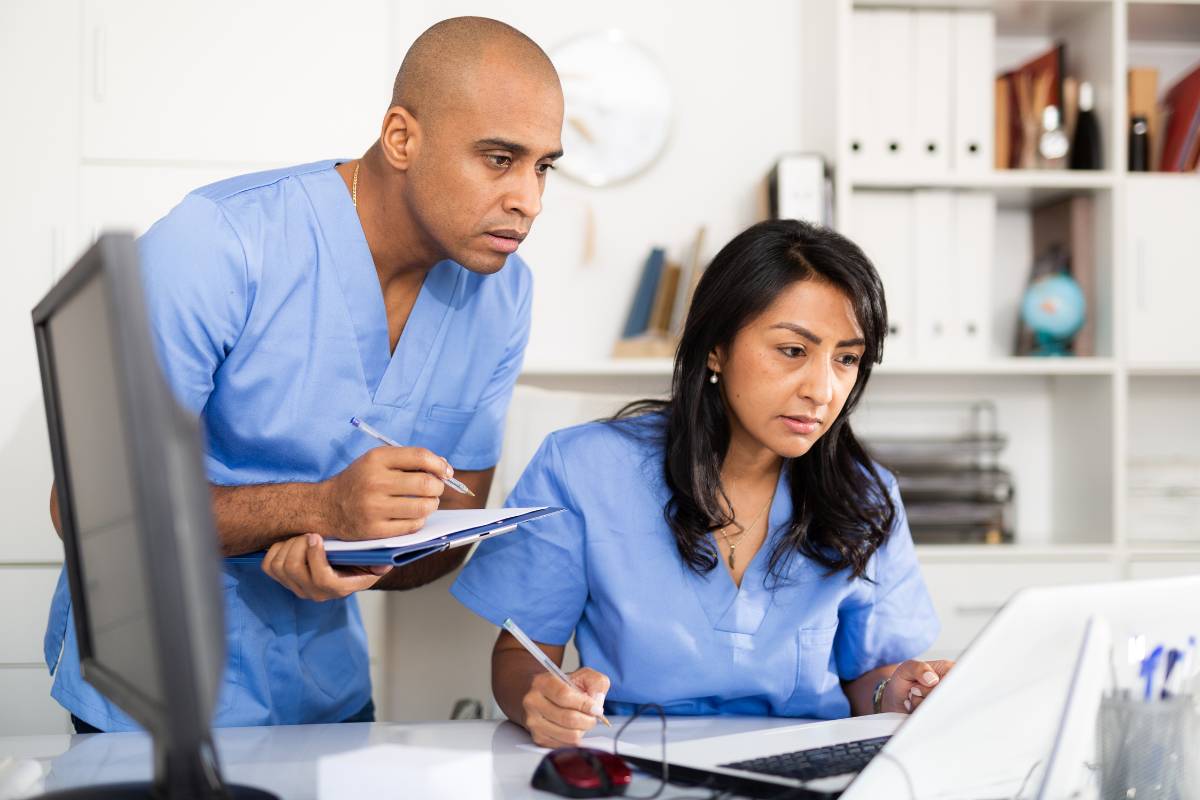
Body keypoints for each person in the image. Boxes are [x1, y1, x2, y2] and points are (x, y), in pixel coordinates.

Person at [45, 16, 564, 732]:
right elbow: (83, 510)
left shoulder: (503, 294)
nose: (530, 201)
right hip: (148, 705)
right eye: (499, 158)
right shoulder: (218, 244)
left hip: (328, 701)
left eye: (543, 167)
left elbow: (450, 525)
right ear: (401, 137)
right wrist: (320, 508)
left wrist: (364, 557)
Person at [451, 219, 952, 748]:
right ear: (716, 347)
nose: (823, 390)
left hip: (803, 768)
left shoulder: (866, 494)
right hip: (641, 763)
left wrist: (896, 692)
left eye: (846, 359)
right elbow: (521, 657)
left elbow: (868, 679)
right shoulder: (584, 467)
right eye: (792, 351)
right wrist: (542, 700)